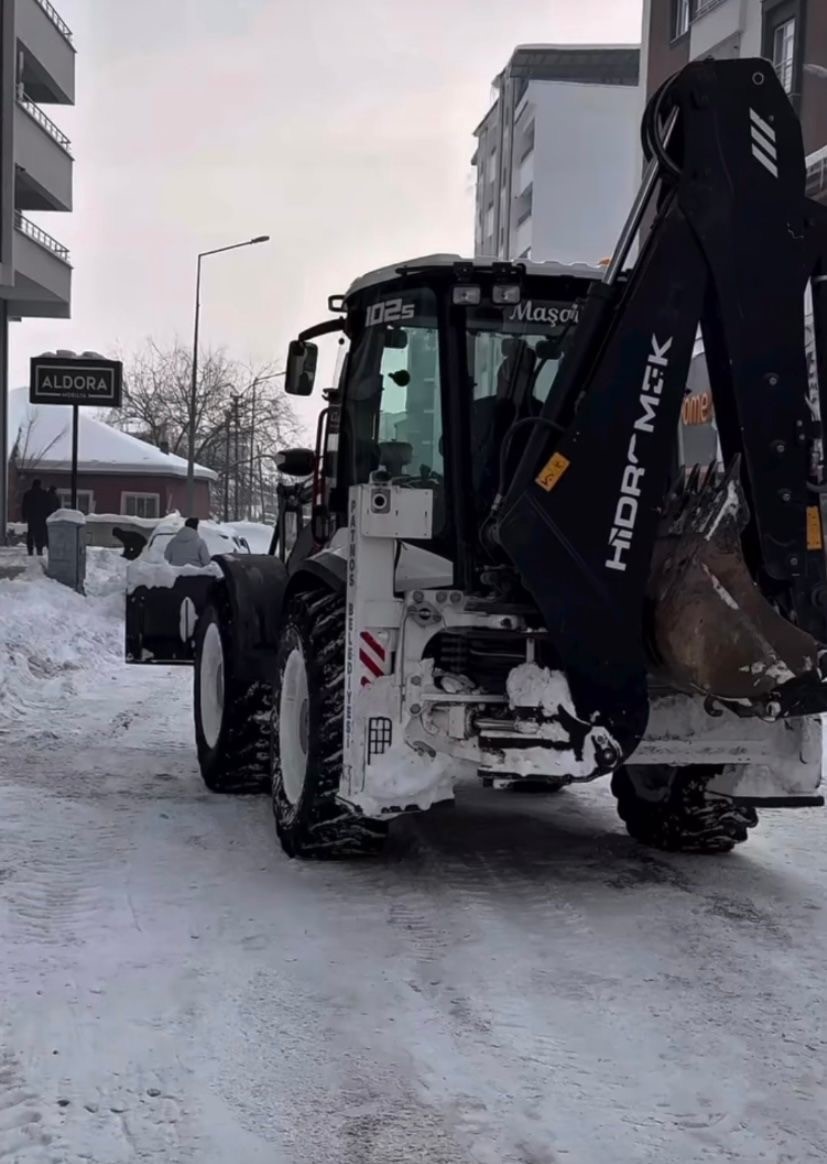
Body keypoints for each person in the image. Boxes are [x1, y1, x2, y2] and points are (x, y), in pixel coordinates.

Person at [21, 479, 51, 557]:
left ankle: (30, 550)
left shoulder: (28, 494)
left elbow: (24, 506)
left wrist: (24, 516)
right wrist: (47, 515)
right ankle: (39, 549)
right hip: (41, 517)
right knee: (40, 534)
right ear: (40, 484)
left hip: (31, 516)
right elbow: (48, 506)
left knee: (31, 533)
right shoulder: (44, 494)